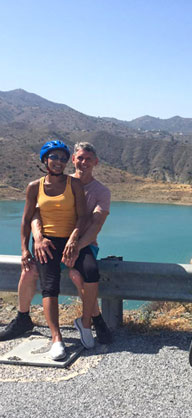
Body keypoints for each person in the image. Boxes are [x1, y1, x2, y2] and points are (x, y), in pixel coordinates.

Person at [0, 142, 113, 356]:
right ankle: (28, 322)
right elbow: (33, 215)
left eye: (88, 159)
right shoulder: (44, 184)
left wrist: (75, 245)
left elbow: (92, 223)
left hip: (80, 242)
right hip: (51, 241)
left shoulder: (94, 190)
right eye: (79, 158)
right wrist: (35, 239)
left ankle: (91, 322)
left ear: (96, 162)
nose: (83, 162)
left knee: (82, 273)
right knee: (32, 272)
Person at [14, 140, 87, 360]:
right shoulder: (34, 187)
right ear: (45, 159)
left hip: (71, 239)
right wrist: (26, 249)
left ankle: (95, 322)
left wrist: (73, 240)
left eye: (63, 158)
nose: (59, 162)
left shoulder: (73, 184)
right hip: (47, 243)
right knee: (49, 286)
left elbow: (83, 217)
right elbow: (26, 220)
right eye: (54, 157)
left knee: (89, 273)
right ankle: (57, 339)